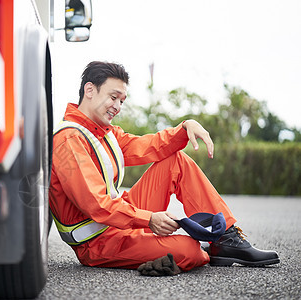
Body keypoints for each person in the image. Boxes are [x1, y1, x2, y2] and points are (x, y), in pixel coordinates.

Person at [49, 61, 279, 275]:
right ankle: (180, 249)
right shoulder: (69, 139)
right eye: (113, 97)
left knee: (175, 161)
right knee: (191, 251)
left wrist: (184, 127)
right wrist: (149, 219)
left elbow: (146, 146)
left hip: (118, 221)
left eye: (122, 100)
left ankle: (226, 240)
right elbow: (96, 205)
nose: (118, 106)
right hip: (99, 242)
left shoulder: (104, 133)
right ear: (89, 90)